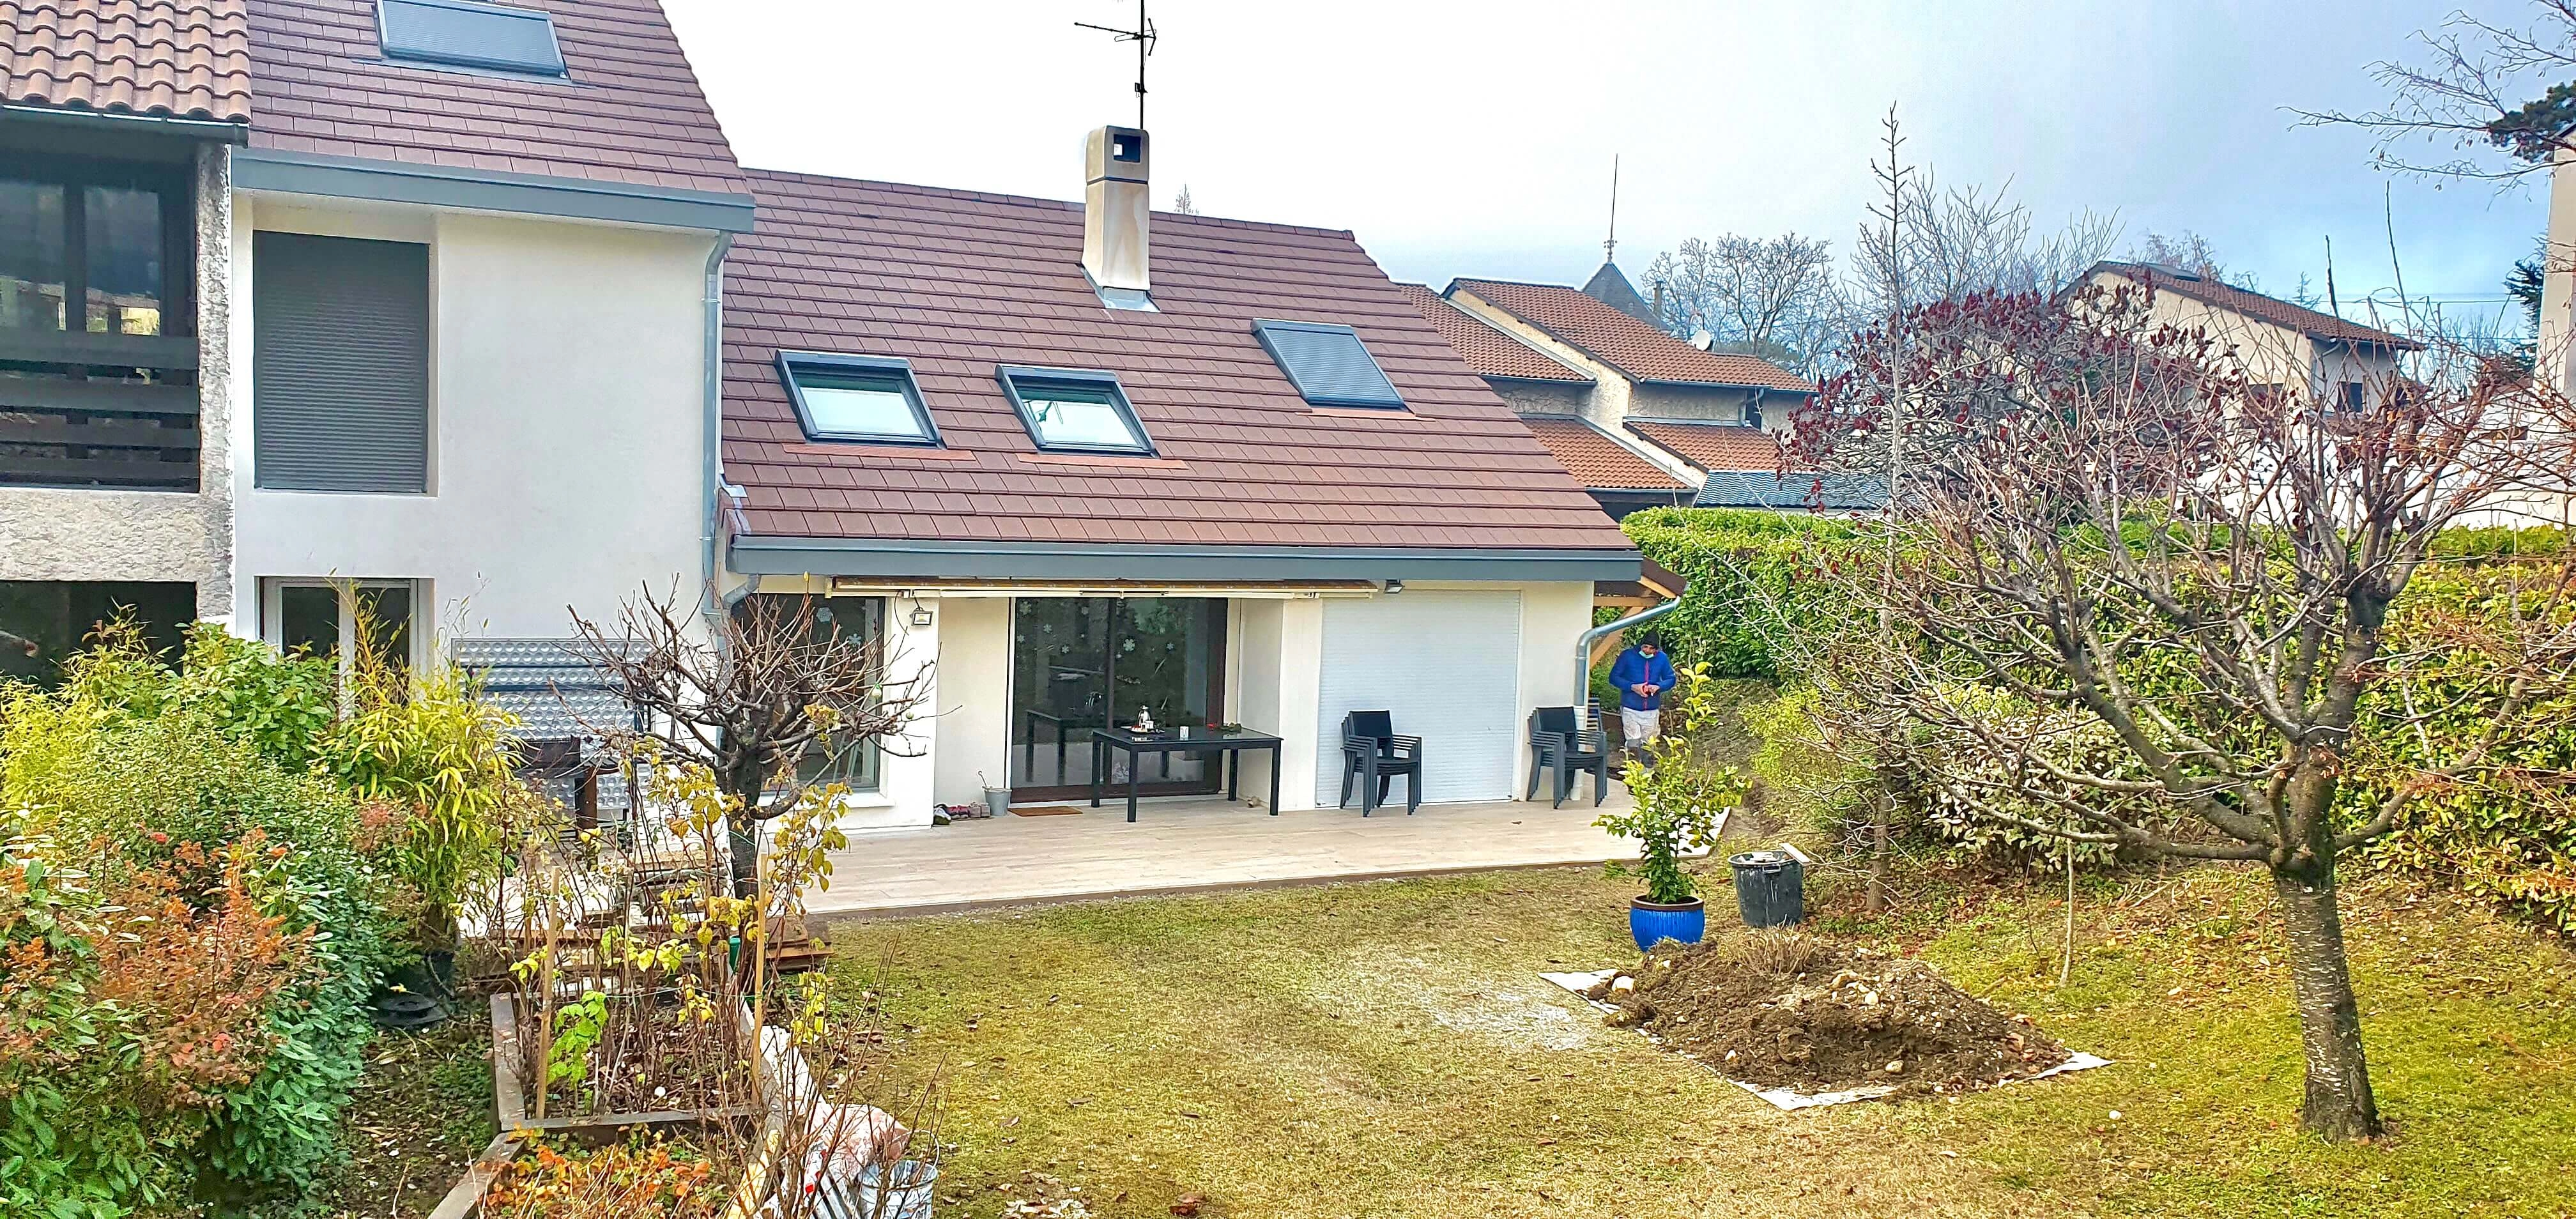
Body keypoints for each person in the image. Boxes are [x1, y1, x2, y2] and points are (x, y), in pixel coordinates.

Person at [1607, 637, 1678, 760]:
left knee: (1649, 746)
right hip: (1630, 707)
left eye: (1652, 649)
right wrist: (1632, 687)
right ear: (1640, 645)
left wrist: (1658, 687)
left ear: (1656, 649)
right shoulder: (1627, 656)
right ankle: (1633, 774)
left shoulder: (1662, 658)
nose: (1647, 651)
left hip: (1651, 710)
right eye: (1645, 647)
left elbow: (1671, 679)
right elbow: (1614, 677)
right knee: (1633, 743)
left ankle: (1647, 775)